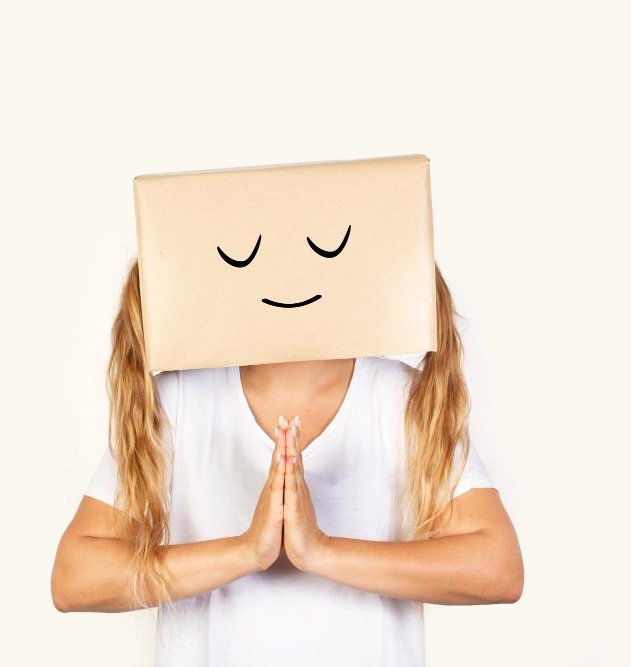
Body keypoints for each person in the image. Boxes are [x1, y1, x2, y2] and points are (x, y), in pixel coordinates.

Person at [51, 259, 524, 666]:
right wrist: (246, 552)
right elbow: (75, 578)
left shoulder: (405, 399)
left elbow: (497, 568)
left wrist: (319, 550)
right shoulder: (177, 400)